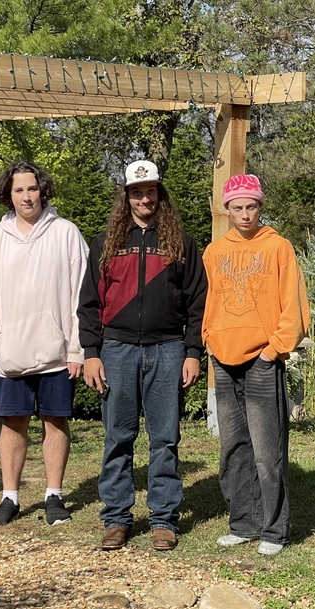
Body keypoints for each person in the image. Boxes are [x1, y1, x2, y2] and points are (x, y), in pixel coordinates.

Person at [78, 160, 207, 552]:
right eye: (137, 192)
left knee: (165, 439)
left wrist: (192, 351)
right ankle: (116, 518)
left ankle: (163, 519)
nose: (144, 197)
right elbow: (88, 303)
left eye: (150, 190)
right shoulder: (105, 244)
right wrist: (91, 353)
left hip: (168, 349)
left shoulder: (180, 243)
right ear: (127, 196)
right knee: (118, 437)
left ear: (159, 193)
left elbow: (197, 302)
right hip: (115, 350)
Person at [0, 160, 88, 527]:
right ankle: (10, 498)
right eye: (18, 190)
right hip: (10, 356)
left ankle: (54, 495)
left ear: (43, 190)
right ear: (8, 194)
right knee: (13, 424)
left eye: (32, 188)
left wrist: (76, 349)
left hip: (57, 353)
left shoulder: (66, 233)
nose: (26, 196)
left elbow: (83, 295)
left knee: (55, 422)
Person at [201, 173, 309, 556]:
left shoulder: (278, 247)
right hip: (224, 360)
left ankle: (274, 530)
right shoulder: (214, 252)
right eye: (237, 207)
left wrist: (273, 349)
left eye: (251, 206)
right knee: (233, 447)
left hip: (262, 360)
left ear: (260, 207)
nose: (244, 214)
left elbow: (294, 308)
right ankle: (242, 523)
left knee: (268, 450)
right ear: (226, 209)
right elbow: (210, 301)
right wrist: (210, 340)